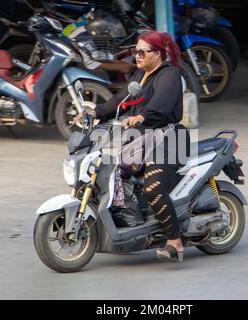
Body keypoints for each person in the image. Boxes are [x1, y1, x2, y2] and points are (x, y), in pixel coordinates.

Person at [74, 31, 190, 262]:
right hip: (140, 139)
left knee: (153, 187)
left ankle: (174, 241)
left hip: (169, 139)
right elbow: (119, 102)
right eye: (134, 52)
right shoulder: (140, 74)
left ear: (157, 54)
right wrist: (93, 112)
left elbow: (162, 106)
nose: (136, 56)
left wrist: (140, 118)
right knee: (108, 175)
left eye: (142, 52)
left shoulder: (170, 75)